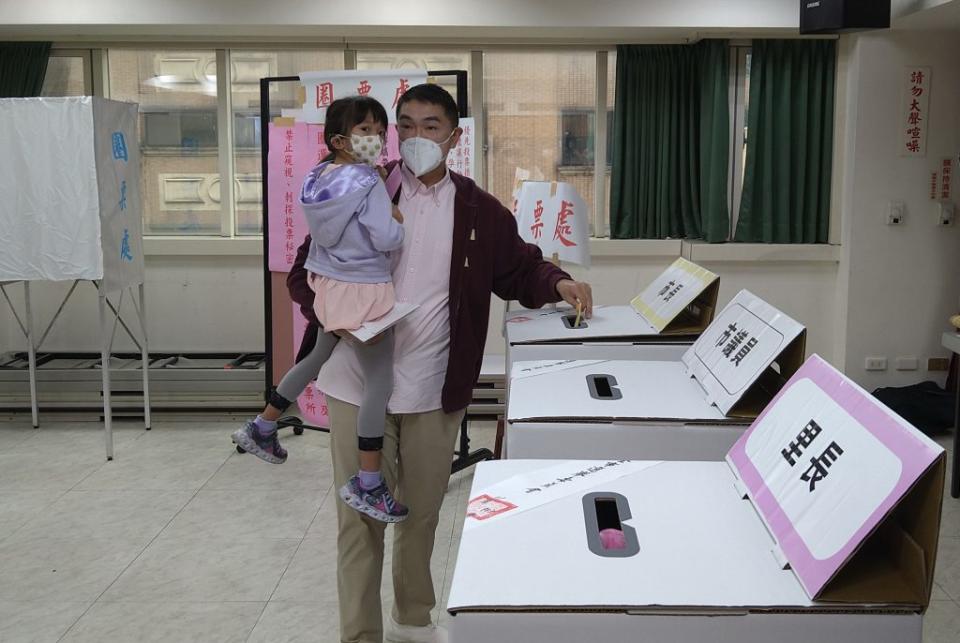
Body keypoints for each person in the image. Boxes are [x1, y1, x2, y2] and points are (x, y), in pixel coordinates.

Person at [289, 84, 594, 643]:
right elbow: (302, 273)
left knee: (420, 516)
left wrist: (559, 281)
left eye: (431, 126)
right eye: (404, 124)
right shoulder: (358, 186)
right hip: (356, 386)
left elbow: (520, 269)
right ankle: (359, 635)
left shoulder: (479, 210)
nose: (415, 137)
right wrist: (337, 315)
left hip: (433, 386)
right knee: (359, 523)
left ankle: (411, 624)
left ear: (454, 137)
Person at [233, 95, 410, 524]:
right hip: (364, 290)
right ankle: (368, 483)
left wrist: (371, 175)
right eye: (365, 131)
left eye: (379, 129)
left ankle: (262, 425)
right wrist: (394, 213)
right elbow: (386, 238)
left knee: (315, 356)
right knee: (379, 383)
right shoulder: (367, 185)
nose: (376, 138)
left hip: (327, 284)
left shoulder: (318, 177)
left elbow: (337, 220)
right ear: (340, 139)